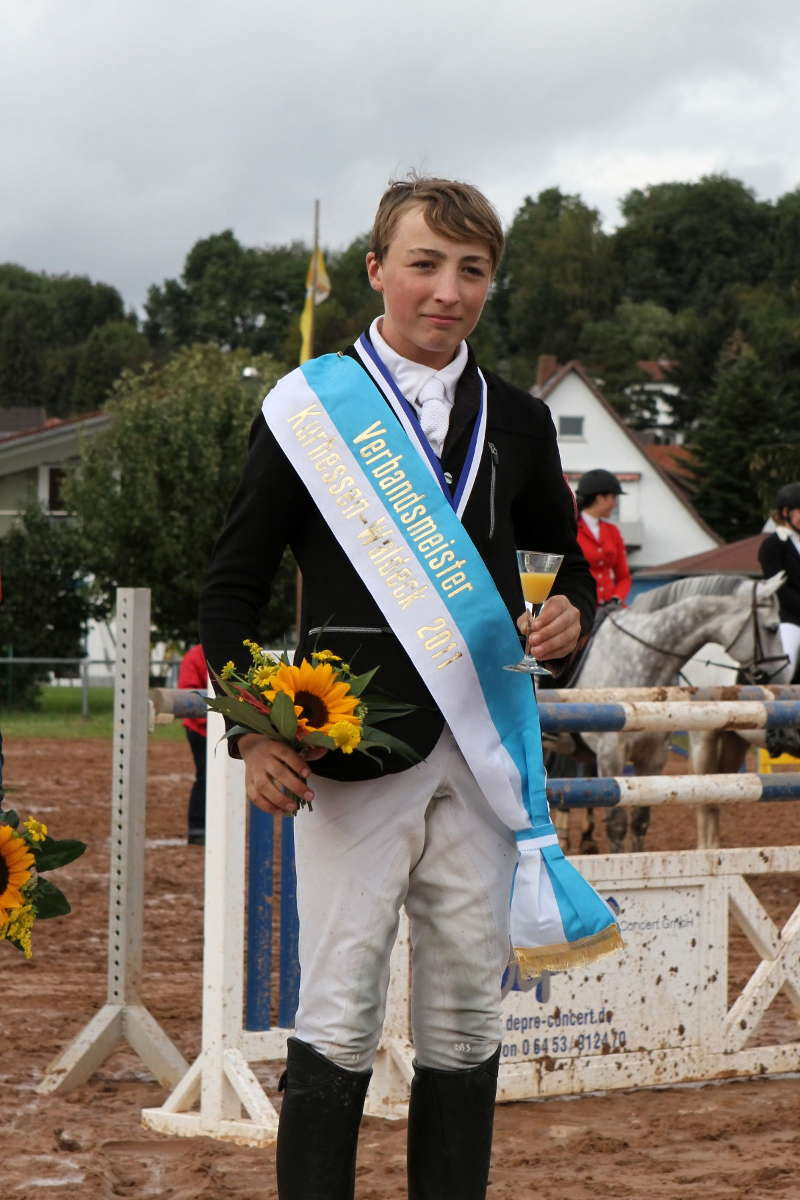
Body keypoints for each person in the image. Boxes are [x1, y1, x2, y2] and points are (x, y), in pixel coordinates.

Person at [199, 176, 616, 1200]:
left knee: (469, 1011)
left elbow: (563, 570)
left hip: (485, 760)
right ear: (377, 268)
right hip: (350, 752)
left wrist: (568, 618)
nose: (446, 290)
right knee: (337, 1004)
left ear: (489, 284)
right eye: (424, 263)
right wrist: (254, 736)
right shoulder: (309, 410)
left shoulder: (517, 420)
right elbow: (229, 586)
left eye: (471, 270)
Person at [758, 481, 800, 683]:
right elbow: (778, 587)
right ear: (786, 513)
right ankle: (778, 695)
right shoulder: (773, 545)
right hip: (787, 617)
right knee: (787, 658)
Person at [575, 469, 631, 606]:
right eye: (613, 498)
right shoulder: (572, 530)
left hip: (611, 607)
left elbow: (624, 577)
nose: (615, 504)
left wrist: (617, 598)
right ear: (600, 498)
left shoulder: (613, 531)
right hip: (581, 606)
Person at [177, 643, 207, 844]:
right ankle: (197, 830)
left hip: (226, 728)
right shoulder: (195, 655)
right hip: (200, 729)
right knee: (205, 777)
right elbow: (188, 696)